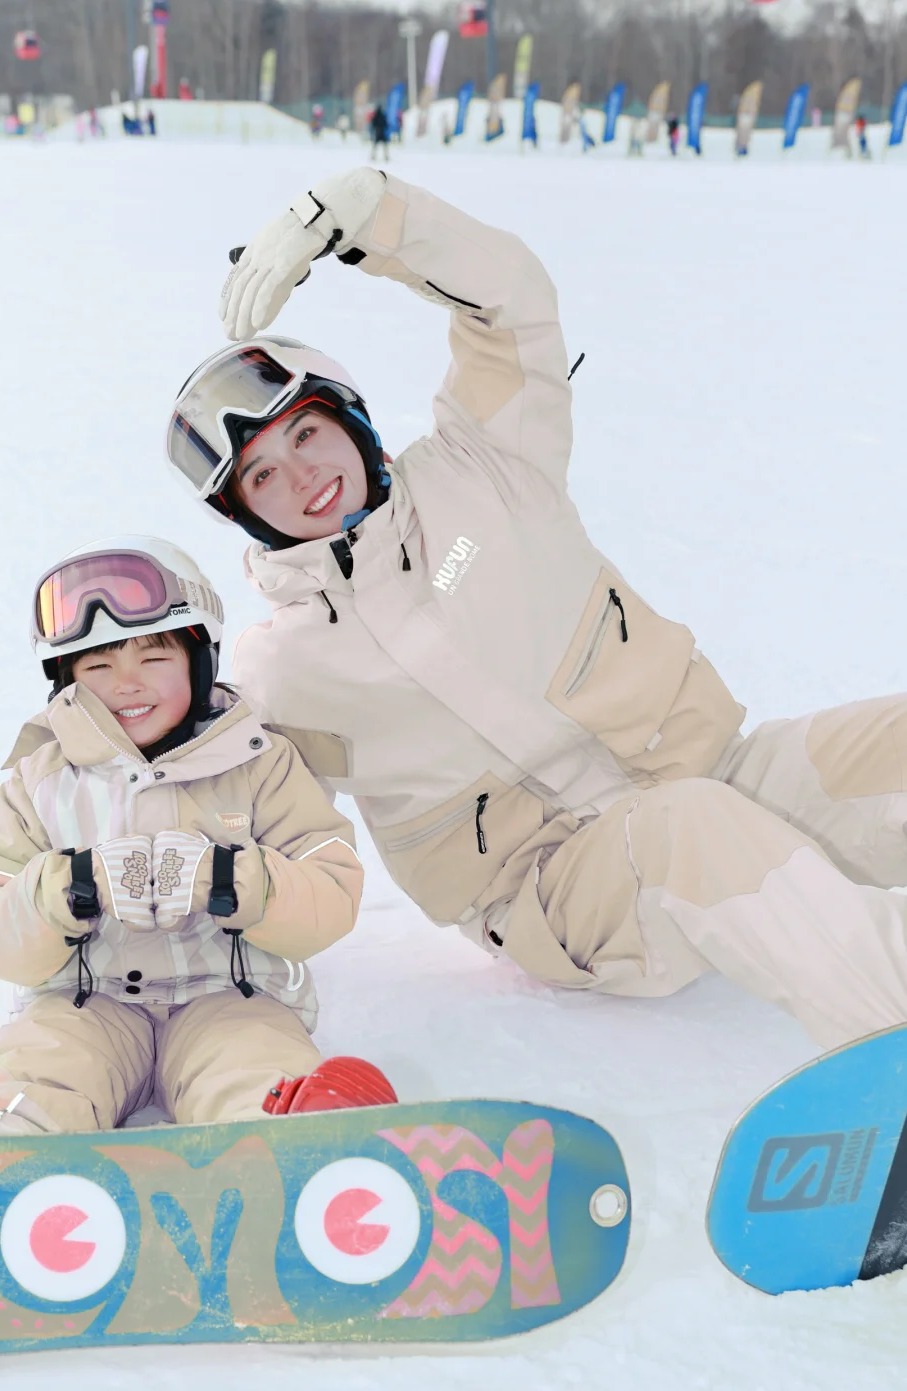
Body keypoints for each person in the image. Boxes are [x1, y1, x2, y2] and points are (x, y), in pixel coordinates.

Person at [164, 168, 907, 1055]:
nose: (303, 476)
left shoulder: (488, 468)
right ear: (245, 511)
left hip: (715, 776)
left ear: (350, 419)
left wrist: (358, 213)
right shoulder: (284, 669)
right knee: (695, 828)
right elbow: (241, 829)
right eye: (262, 476)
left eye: (306, 433)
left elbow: (510, 299)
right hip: (563, 894)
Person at [0, 536, 393, 1137]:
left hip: (232, 996)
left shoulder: (260, 761)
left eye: (153, 659)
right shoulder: (40, 780)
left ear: (200, 663)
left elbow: (331, 893)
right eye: (98, 665)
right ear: (66, 679)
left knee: (252, 1068)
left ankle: (307, 1147)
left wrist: (233, 878)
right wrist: (62, 890)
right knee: (38, 1074)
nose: (126, 683)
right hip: (83, 1002)